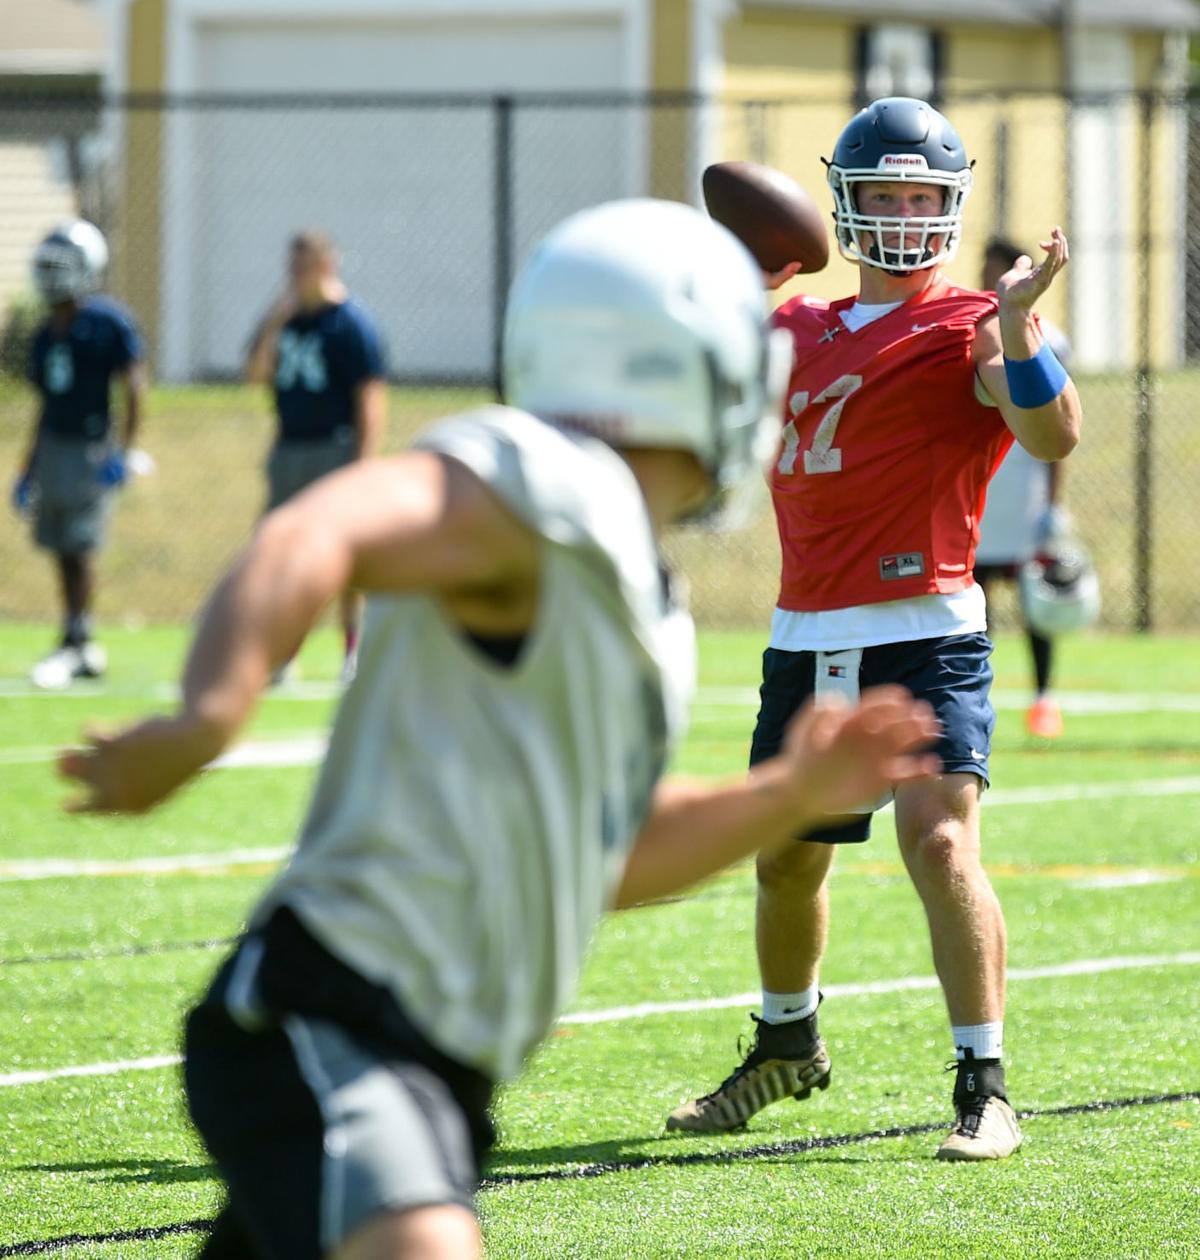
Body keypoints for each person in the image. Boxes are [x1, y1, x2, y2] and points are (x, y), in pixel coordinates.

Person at [59, 199, 940, 1260]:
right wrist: (209, 715)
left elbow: (601, 855)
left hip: (436, 1065)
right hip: (329, 1018)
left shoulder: (634, 581)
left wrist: (781, 800)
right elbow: (317, 526)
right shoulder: (546, 484)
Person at [667, 98, 1081, 1160]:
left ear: (949, 208)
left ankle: (985, 1087)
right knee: (786, 866)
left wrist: (1024, 322)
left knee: (937, 838)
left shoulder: (978, 322)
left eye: (920, 196)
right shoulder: (789, 323)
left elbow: (1051, 429)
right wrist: (729, 275)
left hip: (925, 625)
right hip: (807, 629)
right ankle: (784, 1046)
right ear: (844, 207)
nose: (902, 213)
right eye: (883, 195)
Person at [245, 230, 388, 681]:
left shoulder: (350, 324)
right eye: (292, 267)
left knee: (346, 557)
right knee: (281, 553)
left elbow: (370, 398)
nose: (296, 276)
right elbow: (254, 373)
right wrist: (274, 319)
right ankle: (284, 652)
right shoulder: (287, 320)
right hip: (290, 448)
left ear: (327, 266)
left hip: (334, 448)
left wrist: (362, 464)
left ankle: (352, 650)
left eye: (304, 266)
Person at [11, 220, 145, 690]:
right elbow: (45, 404)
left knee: (82, 545)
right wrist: (26, 469)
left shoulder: (106, 322)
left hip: (90, 446)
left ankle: (78, 638)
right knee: (60, 547)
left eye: (60, 268)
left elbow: (134, 387)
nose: (50, 278)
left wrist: (124, 451)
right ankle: (75, 638)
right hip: (54, 445)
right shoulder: (47, 331)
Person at [976, 236, 1075, 738]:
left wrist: (1054, 504)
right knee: (975, 601)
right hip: (980, 491)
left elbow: (1060, 423)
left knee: (1037, 601)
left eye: (995, 269)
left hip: (1024, 494)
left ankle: (1043, 698)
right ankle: (978, 694)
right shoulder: (970, 330)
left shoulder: (1047, 336)